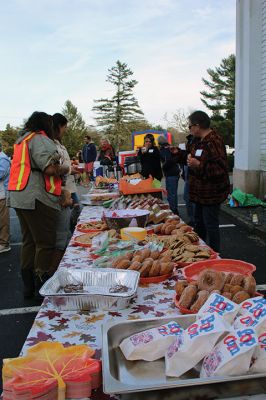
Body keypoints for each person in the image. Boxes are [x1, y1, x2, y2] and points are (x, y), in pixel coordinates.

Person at [8, 111, 68, 299]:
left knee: (29, 241)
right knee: (44, 242)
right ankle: (41, 286)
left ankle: (28, 287)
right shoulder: (40, 138)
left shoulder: (22, 140)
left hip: (19, 195)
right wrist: (64, 168)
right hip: (36, 197)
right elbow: (49, 168)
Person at [176, 111, 230, 252]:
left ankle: (214, 255)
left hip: (211, 194)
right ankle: (200, 252)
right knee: (199, 224)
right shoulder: (197, 141)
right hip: (199, 194)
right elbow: (192, 159)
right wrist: (180, 155)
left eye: (190, 126)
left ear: (197, 126)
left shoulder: (214, 141)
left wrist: (198, 165)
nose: (189, 129)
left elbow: (220, 170)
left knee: (210, 225)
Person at [53, 114, 81, 234]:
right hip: (63, 187)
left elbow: (64, 163)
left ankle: (72, 232)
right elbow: (56, 167)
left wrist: (70, 168)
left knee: (77, 207)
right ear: (59, 126)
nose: (66, 130)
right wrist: (70, 170)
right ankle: (71, 234)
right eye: (65, 127)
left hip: (69, 185)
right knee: (71, 210)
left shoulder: (59, 143)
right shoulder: (51, 144)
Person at [158, 135, 180, 214]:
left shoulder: (164, 150)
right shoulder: (170, 148)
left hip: (171, 174)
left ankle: (174, 211)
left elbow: (168, 161)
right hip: (174, 173)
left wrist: (163, 167)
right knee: (171, 193)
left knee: (171, 193)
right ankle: (173, 209)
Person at [0, 142, 11, 253]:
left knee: (3, 220)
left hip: (2, 194)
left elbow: (0, 174)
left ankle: (4, 243)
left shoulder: (3, 159)